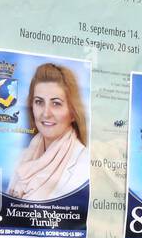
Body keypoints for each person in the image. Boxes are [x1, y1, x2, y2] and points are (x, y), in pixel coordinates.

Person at [6, 62, 90, 202]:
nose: (46, 113)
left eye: (56, 103)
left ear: (73, 113)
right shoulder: (23, 158)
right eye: (39, 102)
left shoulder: (84, 164)